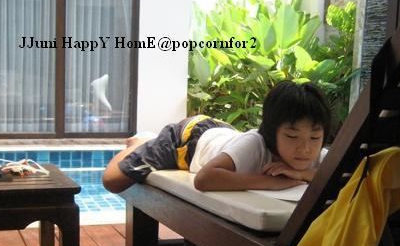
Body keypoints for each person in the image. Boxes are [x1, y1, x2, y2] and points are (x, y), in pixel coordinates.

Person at [102, 81, 332, 194]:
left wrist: (303, 174)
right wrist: (272, 182)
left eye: (315, 138)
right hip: (188, 139)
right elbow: (204, 179)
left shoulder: (317, 156)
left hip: (224, 136)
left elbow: (345, 178)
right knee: (113, 181)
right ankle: (141, 142)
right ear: (272, 132)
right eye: (292, 136)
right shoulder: (256, 144)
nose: (305, 149)